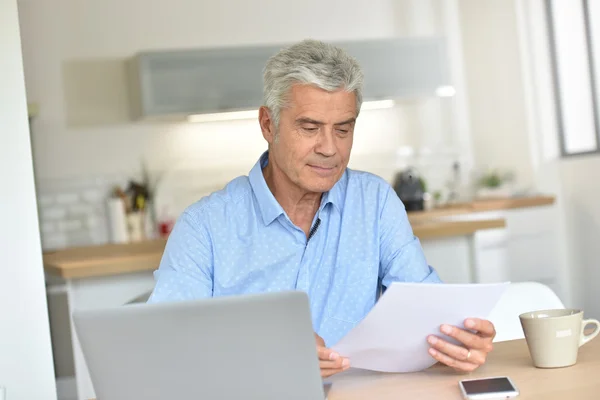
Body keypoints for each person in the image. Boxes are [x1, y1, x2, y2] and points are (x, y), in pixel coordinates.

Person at [147, 39, 496, 378]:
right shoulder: (204, 226)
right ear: (269, 125)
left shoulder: (374, 202)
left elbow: (428, 311)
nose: (329, 148)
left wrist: (459, 341)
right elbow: (164, 347)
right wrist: (269, 352)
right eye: (310, 128)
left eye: (343, 129)